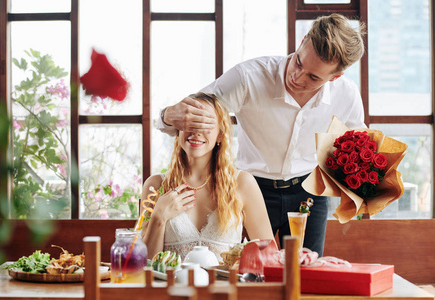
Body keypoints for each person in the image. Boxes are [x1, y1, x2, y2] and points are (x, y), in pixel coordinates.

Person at [157, 14, 366, 257]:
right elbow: (195, 113)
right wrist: (167, 115)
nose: (297, 77)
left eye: (313, 77)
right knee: (249, 272)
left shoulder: (346, 94)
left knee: (305, 275)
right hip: (252, 189)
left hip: (309, 193)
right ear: (302, 41)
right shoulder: (249, 77)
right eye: (299, 62)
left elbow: (357, 144)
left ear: (335, 77)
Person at [142, 92, 275, 261]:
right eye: (191, 123)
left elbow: (269, 256)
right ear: (178, 129)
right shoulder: (155, 185)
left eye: (205, 125)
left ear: (220, 134)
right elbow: (144, 265)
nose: (196, 132)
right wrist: (159, 216)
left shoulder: (242, 183)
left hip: (226, 287)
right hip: (171, 287)